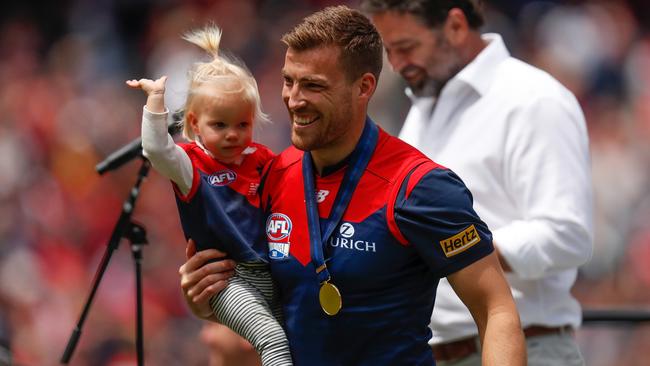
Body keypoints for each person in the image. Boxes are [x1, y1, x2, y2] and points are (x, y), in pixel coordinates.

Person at [179, 6, 525, 365]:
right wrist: (208, 300)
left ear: (364, 87)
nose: (294, 100)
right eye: (288, 80)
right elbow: (271, 296)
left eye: (313, 85)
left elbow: (496, 309)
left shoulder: (420, 187)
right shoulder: (273, 175)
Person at [360, 0, 594, 365]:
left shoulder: (534, 99)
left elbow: (569, 234)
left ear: (455, 25)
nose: (398, 64)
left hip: (526, 350)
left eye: (406, 47)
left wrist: (458, 253)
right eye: (390, 51)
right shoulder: (425, 106)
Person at [126, 25, 292, 366]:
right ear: (195, 123)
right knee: (272, 339)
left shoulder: (261, 160)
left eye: (242, 125)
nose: (233, 135)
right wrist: (155, 101)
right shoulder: (193, 165)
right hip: (227, 280)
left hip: (268, 271)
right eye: (220, 125)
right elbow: (157, 149)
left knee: (295, 333)